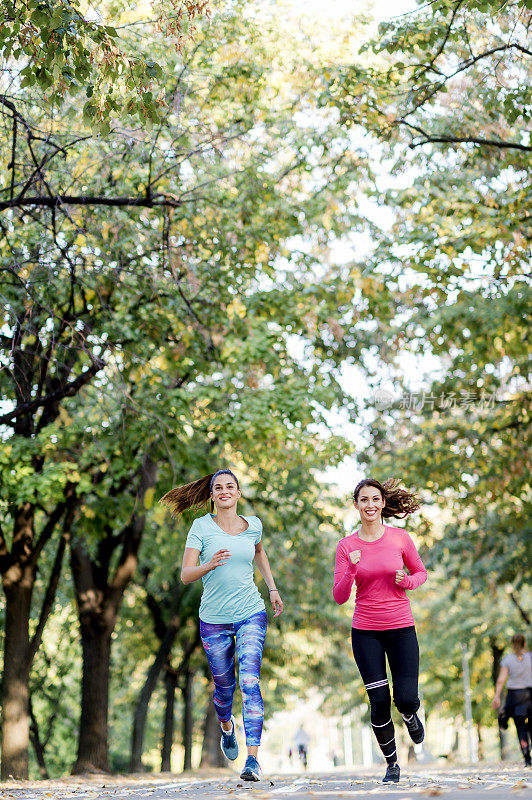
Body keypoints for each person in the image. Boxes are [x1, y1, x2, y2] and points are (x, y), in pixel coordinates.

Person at [161, 468, 283, 782]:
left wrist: (272, 588)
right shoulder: (201, 527)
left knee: (250, 682)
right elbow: (185, 574)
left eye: (230, 486)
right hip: (214, 620)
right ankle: (226, 727)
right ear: (212, 495)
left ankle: (252, 759)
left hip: (250, 612)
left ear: (238, 493)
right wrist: (209, 564)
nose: (225, 491)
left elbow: (259, 552)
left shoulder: (253, 525)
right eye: (219, 487)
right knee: (225, 688)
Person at [333, 477, 427, 785]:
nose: (370, 505)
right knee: (379, 702)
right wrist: (350, 568)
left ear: (383, 503)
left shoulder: (400, 538)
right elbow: (339, 596)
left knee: (406, 699)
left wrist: (407, 582)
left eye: (375, 499)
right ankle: (391, 763)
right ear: (356, 504)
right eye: (364, 500)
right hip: (366, 632)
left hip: (401, 628)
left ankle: (411, 716)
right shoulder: (346, 546)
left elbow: (420, 572)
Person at [492, 633, 532, 767]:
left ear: (512, 644)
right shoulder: (530, 657)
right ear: (524, 644)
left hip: (515, 697)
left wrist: (497, 697)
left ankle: (527, 758)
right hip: (530, 695)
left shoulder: (508, 659)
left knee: (520, 728)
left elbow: (501, 680)